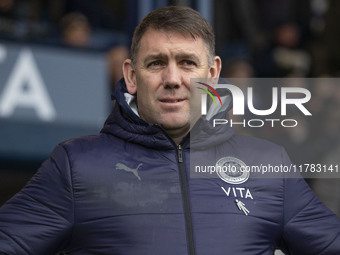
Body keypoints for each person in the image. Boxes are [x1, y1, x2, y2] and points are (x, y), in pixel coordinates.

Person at [0, 5, 339, 255]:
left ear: (213, 73)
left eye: (188, 63)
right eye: (156, 63)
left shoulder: (268, 165)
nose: (173, 79)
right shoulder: (75, 165)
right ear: (132, 76)